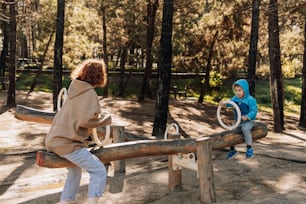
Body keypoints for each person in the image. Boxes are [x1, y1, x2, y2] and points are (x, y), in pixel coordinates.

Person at [45, 59, 112, 204]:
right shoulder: (89, 94)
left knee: (75, 170)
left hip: (54, 140)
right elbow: (86, 121)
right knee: (99, 171)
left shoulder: (73, 89)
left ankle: (65, 202)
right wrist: (106, 118)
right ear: (100, 75)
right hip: (68, 143)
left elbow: (78, 116)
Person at [219, 79, 258, 159]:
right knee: (230, 131)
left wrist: (247, 116)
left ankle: (249, 148)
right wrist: (224, 103)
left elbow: (254, 110)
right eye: (236, 90)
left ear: (245, 89)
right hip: (237, 121)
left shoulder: (250, 100)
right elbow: (229, 104)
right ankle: (233, 150)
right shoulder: (235, 98)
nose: (237, 92)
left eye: (240, 90)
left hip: (248, 121)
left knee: (245, 129)